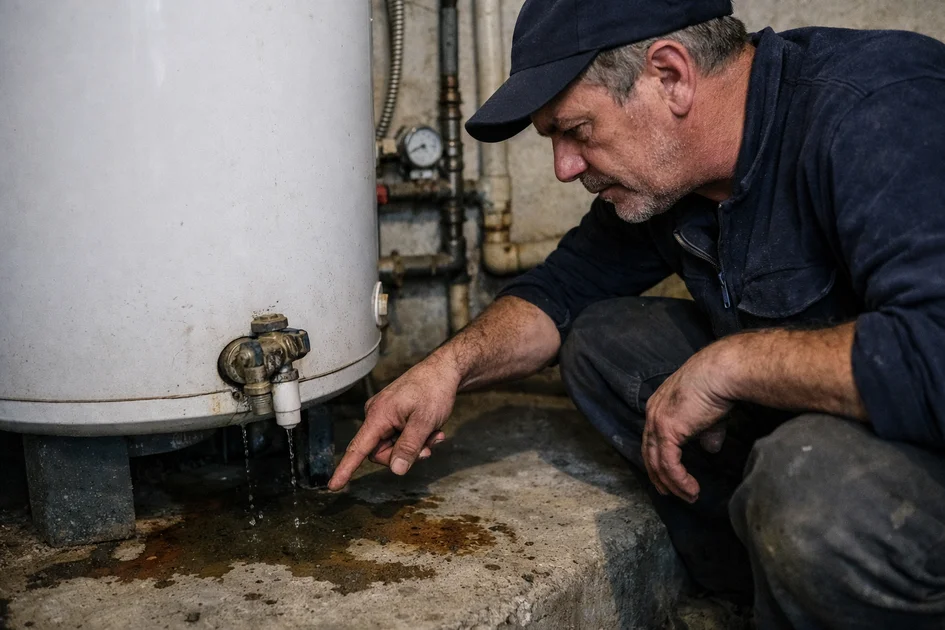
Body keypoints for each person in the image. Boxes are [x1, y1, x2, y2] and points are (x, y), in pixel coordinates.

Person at [328, 0, 945, 626]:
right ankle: (758, 595)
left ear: (670, 76)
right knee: (604, 342)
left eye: (577, 130)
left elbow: (935, 352)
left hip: (920, 444)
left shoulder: (880, 110)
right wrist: (449, 367)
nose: (565, 168)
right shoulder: (678, 176)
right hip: (841, 424)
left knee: (804, 482)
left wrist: (730, 364)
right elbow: (559, 292)